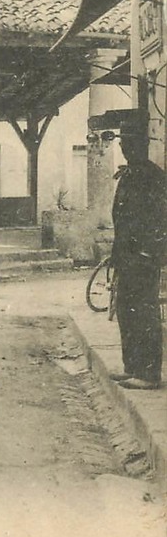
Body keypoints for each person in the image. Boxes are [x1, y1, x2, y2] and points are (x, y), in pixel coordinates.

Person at [110, 118, 166, 390]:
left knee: (144, 312)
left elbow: (160, 220)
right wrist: (116, 254)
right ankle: (132, 366)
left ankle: (148, 373)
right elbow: (122, 220)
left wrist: (149, 252)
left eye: (132, 143)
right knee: (126, 310)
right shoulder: (129, 175)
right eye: (124, 143)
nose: (126, 148)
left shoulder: (153, 177)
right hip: (126, 257)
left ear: (143, 145)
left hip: (143, 258)